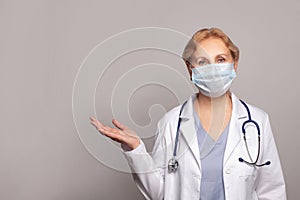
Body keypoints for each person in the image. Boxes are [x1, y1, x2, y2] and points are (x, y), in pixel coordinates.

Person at [90, 27, 287, 200]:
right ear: (190, 69)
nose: (213, 68)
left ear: (234, 64)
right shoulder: (170, 123)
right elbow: (159, 195)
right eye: (203, 61)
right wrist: (136, 150)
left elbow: (272, 192)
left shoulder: (258, 121)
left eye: (221, 59)